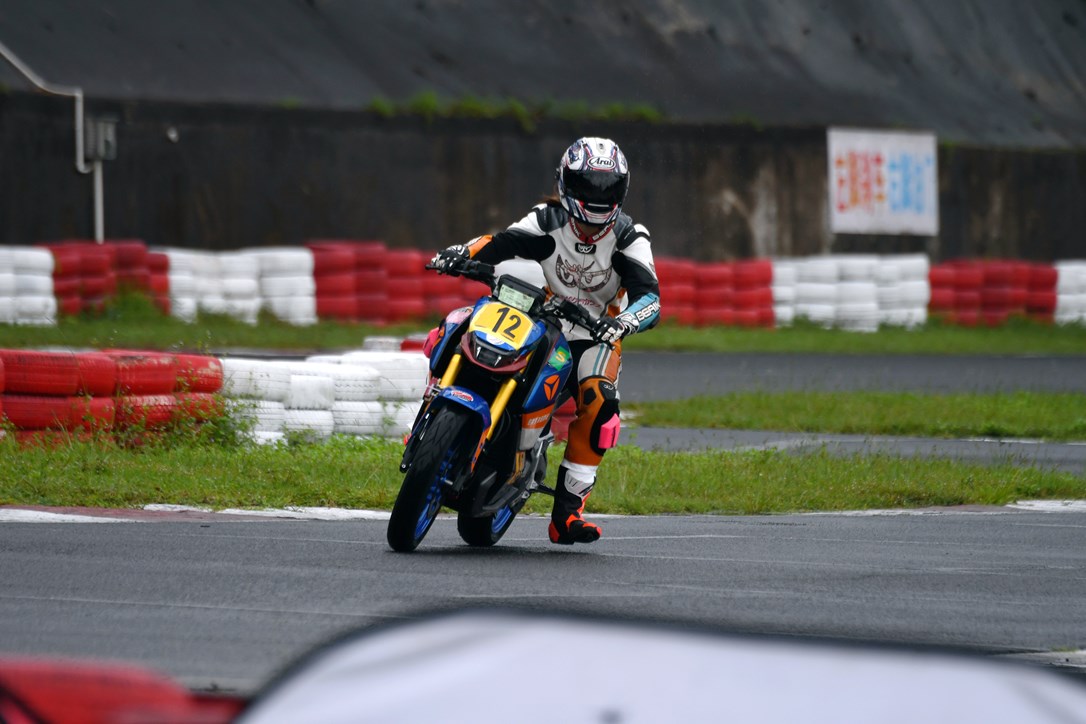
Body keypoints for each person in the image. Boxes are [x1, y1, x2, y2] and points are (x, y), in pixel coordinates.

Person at [431, 136, 661, 545]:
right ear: (566, 182)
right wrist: (458, 252)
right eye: (588, 186)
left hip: (595, 334)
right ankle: (436, 417)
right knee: (466, 327)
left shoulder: (630, 236)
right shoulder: (546, 219)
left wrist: (624, 322)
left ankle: (568, 513)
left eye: (607, 188)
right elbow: (500, 242)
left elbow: (650, 298)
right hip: (541, 319)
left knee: (601, 401)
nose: (597, 197)